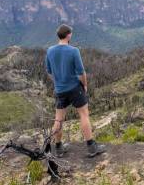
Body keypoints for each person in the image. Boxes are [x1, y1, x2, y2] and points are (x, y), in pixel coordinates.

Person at [45, 24, 106, 158]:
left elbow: (49, 71)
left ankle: (58, 147)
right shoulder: (73, 51)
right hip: (74, 88)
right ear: (68, 35)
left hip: (60, 90)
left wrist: (57, 82)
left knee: (59, 119)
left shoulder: (50, 50)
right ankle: (91, 147)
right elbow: (81, 72)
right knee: (84, 114)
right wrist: (84, 85)